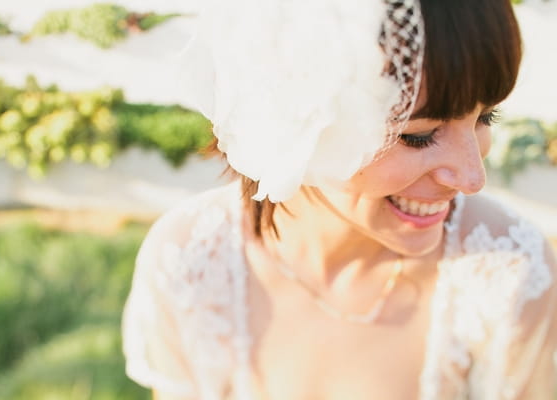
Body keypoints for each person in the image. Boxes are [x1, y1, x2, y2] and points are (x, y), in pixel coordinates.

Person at [122, 0, 557, 399]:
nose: (470, 177)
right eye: (418, 136)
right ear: (298, 117)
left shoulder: (508, 273)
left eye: (485, 117)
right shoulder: (192, 263)